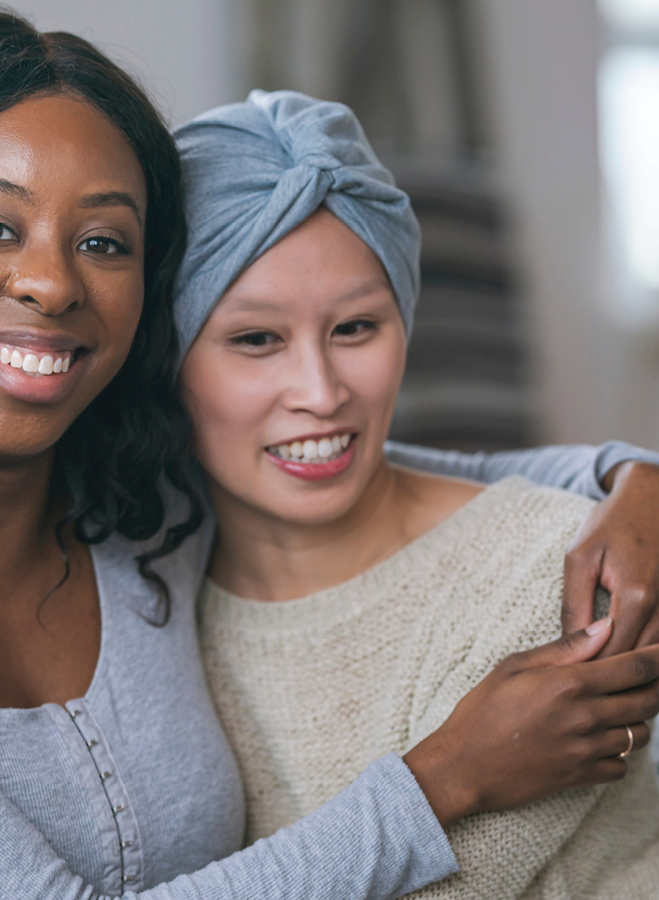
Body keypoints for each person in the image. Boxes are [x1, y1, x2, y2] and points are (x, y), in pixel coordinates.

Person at [0, 11, 659, 900]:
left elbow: (348, 458)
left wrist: (633, 483)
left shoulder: (138, 509)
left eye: (105, 241)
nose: (51, 282)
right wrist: (443, 778)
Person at [173, 90, 659, 897]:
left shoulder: (556, 578)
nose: (320, 392)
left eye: (355, 327)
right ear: (167, 360)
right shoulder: (150, 585)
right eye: (256, 339)